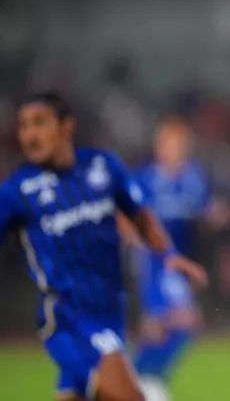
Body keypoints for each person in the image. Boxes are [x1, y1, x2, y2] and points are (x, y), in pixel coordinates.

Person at [0, 93, 207, 401]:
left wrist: (168, 254)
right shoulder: (17, 192)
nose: (30, 134)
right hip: (69, 319)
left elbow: (140, 215)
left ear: (66, 126)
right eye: (23, 126)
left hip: (111, 314)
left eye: (39, 123)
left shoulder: (102, 167)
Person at [117, 115, 230, 398]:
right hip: (154, 261)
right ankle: (140, 380)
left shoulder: (193, 176)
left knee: (166, 327)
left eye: (180, 143)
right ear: (159, 145)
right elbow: (124, 214)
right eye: (170, 142)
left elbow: (202, 208)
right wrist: (132, 232)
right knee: (178, 321)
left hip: (180, 260)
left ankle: (139, 378)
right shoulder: (146, 177)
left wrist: (216, 214)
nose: (175, 148)